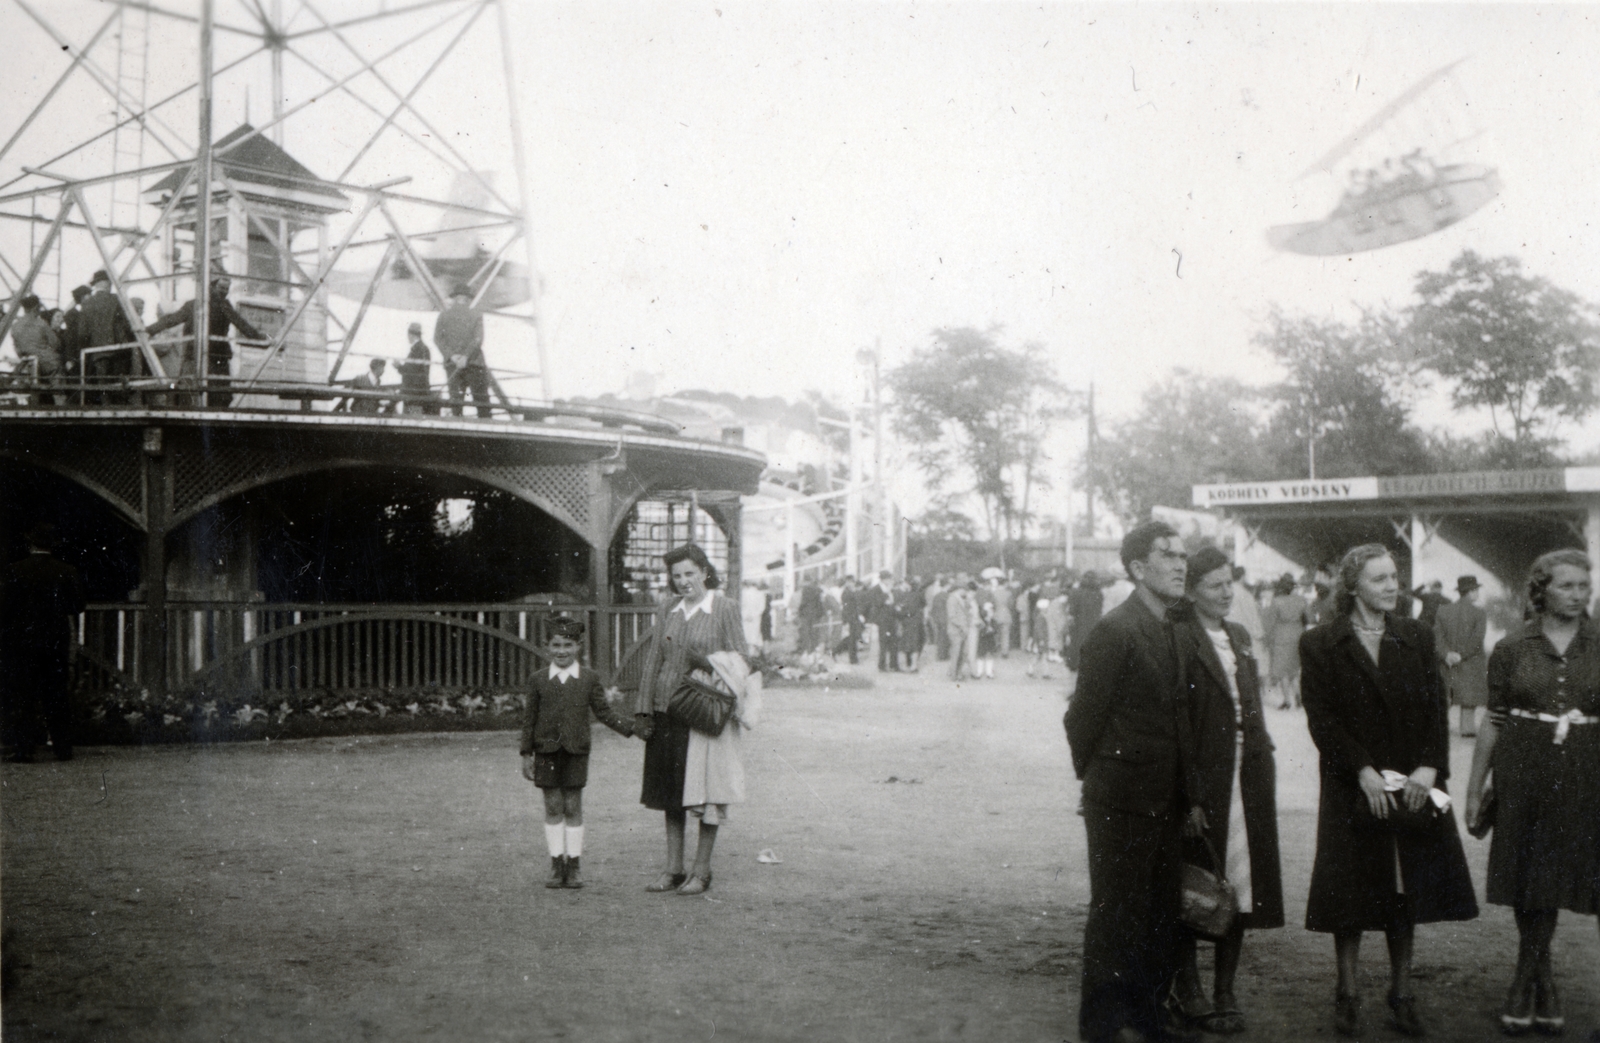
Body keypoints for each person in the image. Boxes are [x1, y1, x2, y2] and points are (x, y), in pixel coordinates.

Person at [1299, 544, 1478, 1038]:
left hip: (1411, 784)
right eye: (1379, 579)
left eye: (1395, 576)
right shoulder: (1320, 642)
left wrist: (1429, 767)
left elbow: (1434, 708)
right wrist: (1360, 769)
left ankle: (1402, 993)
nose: (1392, 586)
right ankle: (1348, 991)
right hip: (1353, 785)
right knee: (1350, 888)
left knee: (1405, 888)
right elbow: (1323, 719)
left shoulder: (1417, 635)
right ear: (1352, 586)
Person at [1064, 520, 1195, 1043]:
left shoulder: (1172, 627)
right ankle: (1101, 1027)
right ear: (1139, 567)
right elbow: (1081, 720)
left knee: (1161, 914)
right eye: (1169, 555)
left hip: (1165, 800)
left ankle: (1146, 1017)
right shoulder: (1116, 630)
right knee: (1117, 914)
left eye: (1184, 555)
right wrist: (1104, 781)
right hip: (1121, 800)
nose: (1182, 564)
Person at [1465, 550, 1600, 1036]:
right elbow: (1494, 720)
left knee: (1576, 876)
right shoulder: (1512, 647)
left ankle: (1528, 981)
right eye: (1567, 586)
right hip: (1523, 771)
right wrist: (1474, 788)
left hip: (1587, 771)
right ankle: (1539, 984)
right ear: (1541, 591)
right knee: (1531, 878)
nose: (1579, 595)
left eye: (1585, 586)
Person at [1168, 547, 1284, 1036]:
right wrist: (1189, 796)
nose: (1226, 593)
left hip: (1248, 775)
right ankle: (1189, 987)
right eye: (1214, 585)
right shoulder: (1176, 636)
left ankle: (1225, 989)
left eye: (1229, 583)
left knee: (1241, 886)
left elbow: (1251, 705)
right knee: (1195, 884)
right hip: (1204, 780)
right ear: (1192, 590)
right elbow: (1177, 721)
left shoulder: (1237, 635)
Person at [631, 544, 747, 895]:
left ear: (704, 572)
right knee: (670, 793)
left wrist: (709, 662)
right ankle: (673, 869)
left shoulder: (724, 608)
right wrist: (643, 708)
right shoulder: (668, 608)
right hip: (668, 709)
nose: (683, 582)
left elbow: (743, 659)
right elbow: (654, 659)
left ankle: (702, 869)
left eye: (689, 574)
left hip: (702, 712)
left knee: (706, 793)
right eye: (677, 575)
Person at [520, 616, 635, 889]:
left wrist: (633, 728)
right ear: (546, 646)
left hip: (576, 751)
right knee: (552, 805)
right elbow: (529, 719)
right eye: (556, 645)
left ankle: (574, 866)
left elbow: (604, 712)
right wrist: (526, 753)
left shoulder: (588, 679)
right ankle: (555, 864)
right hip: (546, 751)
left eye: (568, 645)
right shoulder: (537, 680)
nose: (562, 651)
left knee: (572, 805)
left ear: (579, 646)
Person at [0, 523, 87, 762]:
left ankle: (24, 749)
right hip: (55, 641)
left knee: (23, 695)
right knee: (56, 695)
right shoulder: (66, 571)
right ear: (52, 545)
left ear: (30, 544)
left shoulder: (15, 570)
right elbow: (78, 605)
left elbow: (4, 607)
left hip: (22, 642)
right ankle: (62, 748)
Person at [144, 274, 264, 408]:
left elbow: (241, 324)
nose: (223, 291)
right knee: (214, 395)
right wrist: (259, 338)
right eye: (221, 287)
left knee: (193, 394)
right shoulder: (214, 305)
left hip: (204, 358)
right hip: (208, 358)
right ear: (212, 287)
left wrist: (148, 330)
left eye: (226, 289)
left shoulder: (198, 305)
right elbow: (172, 319)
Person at [1434, 575, 1488, 738]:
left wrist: (1446, 654)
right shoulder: (1479, 613)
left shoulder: (1443, 610)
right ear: (1470, 592)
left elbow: (1437, 636)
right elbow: (1477, 639)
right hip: (1469, 661)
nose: (1477, 593)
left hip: (1447, 661)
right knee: (1468, 696)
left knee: (1445, 694)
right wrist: (1461, 654)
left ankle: (1438, 727)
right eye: (1476, 590)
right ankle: (1467, 728)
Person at [78, 269, 134, 402]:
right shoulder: (116, 300)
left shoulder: (86, 303)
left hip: (97, 352)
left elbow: (82, 333)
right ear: (108, 283)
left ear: (96, 285)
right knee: (120, 387)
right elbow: (127, 325)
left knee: (103, 388)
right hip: (118, 350)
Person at [436, 282, 490, 418]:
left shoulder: (443, 315)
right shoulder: (476, 314)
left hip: (452, 365)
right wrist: (465, 356)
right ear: (468, 298)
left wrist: (452, 356)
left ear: (454, 298)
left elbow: (437, 339)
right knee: (482, 403)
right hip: (474, 363)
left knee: (456, 404)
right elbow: (478, 339)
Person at [1261, 575, 1308, 709]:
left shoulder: (1276, 602)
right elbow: (1307, 619)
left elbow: (1270, 622)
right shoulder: (1301, 600)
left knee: (1282, 671)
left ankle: (1287, 700)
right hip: (1298, 634)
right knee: (1294, 669)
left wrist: (1266, 639)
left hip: (1281, 636)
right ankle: (1298, 696)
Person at [10, 294, 62, 405]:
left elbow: (18, 349)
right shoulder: (41, 323)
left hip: (28, 364)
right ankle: (60, 404)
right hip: (47, 363)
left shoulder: (15, 326)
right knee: (57, 371)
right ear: (35, 308)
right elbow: (56, 343)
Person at [395, 322, 439, 415]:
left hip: (415, 395)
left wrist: (399, 367)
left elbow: (413, 371)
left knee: (412, 417)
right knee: (411, 417)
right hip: (414, 394)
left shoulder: (418, 349)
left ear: (410, 334)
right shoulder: (422, 348)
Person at [1067, 571, 1105, 670]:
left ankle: (1074, 663)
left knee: (1077, 642)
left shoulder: (1076, 592)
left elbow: (1072, 609)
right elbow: (1100, 608)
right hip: (1094, 622)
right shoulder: (1099, 593)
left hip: (1079, 622)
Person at [946, 575, 977, 681]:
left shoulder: (961, 599)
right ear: (960, 589)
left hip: (962, 630)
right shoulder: (952, 599)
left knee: (963, 653)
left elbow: (966, 612)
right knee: (956, 653)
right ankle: (954, 674)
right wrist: (962, 626)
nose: (966, 592)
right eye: (965, 590)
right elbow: (952, 616)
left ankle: (958, 672)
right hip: (955, 630)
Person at [867, 570, 899, 672]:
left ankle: (894, 665)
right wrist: (886, 593)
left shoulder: (891, 589)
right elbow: (876, 603)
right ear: (883, 579)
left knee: (894, 642)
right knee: (883, 643)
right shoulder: (876, 589)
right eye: (888, 578)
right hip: (882, 619)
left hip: (892, 618)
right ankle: (882, 665)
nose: (890, 580)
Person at [832, 576, 865, 664]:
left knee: (854, 637)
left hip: (855, 617)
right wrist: (846, 620)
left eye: (852, 582)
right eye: (849, 582)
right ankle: (852, 658)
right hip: (850, 618)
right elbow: (846, 608)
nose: (851, 584)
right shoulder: (846, 593)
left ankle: (837, 650)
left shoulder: (854, 591)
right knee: (852, 638)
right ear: (846, 583)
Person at [897, 578, 925, 672]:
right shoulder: (919, 595)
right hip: (916, 623)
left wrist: (901, 612)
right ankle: (914, 665)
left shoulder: (904, 596)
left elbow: (903, 611)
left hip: (906, 622)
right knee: (915, 644)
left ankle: (904, 665)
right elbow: (923, 606)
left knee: (904, 645)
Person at [795, 577, 825, 654]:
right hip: (816, 615)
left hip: (807, 614)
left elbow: (803, 602)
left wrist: (799, 611)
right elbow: (820, 602)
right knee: (814, 633)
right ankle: (815, 650)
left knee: (806, 633)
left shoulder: (806, 590)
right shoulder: (817, 589)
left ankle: (809, 651)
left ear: (806, 581)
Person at [929, 575, 951, 661]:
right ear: (946, 586)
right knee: (944, 637)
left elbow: (933, 609)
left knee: (940, 637)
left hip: (938, 619)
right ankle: (943, 654)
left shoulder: (937, 595)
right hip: (945, 618)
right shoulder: (947, 595)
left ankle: (941, 654)